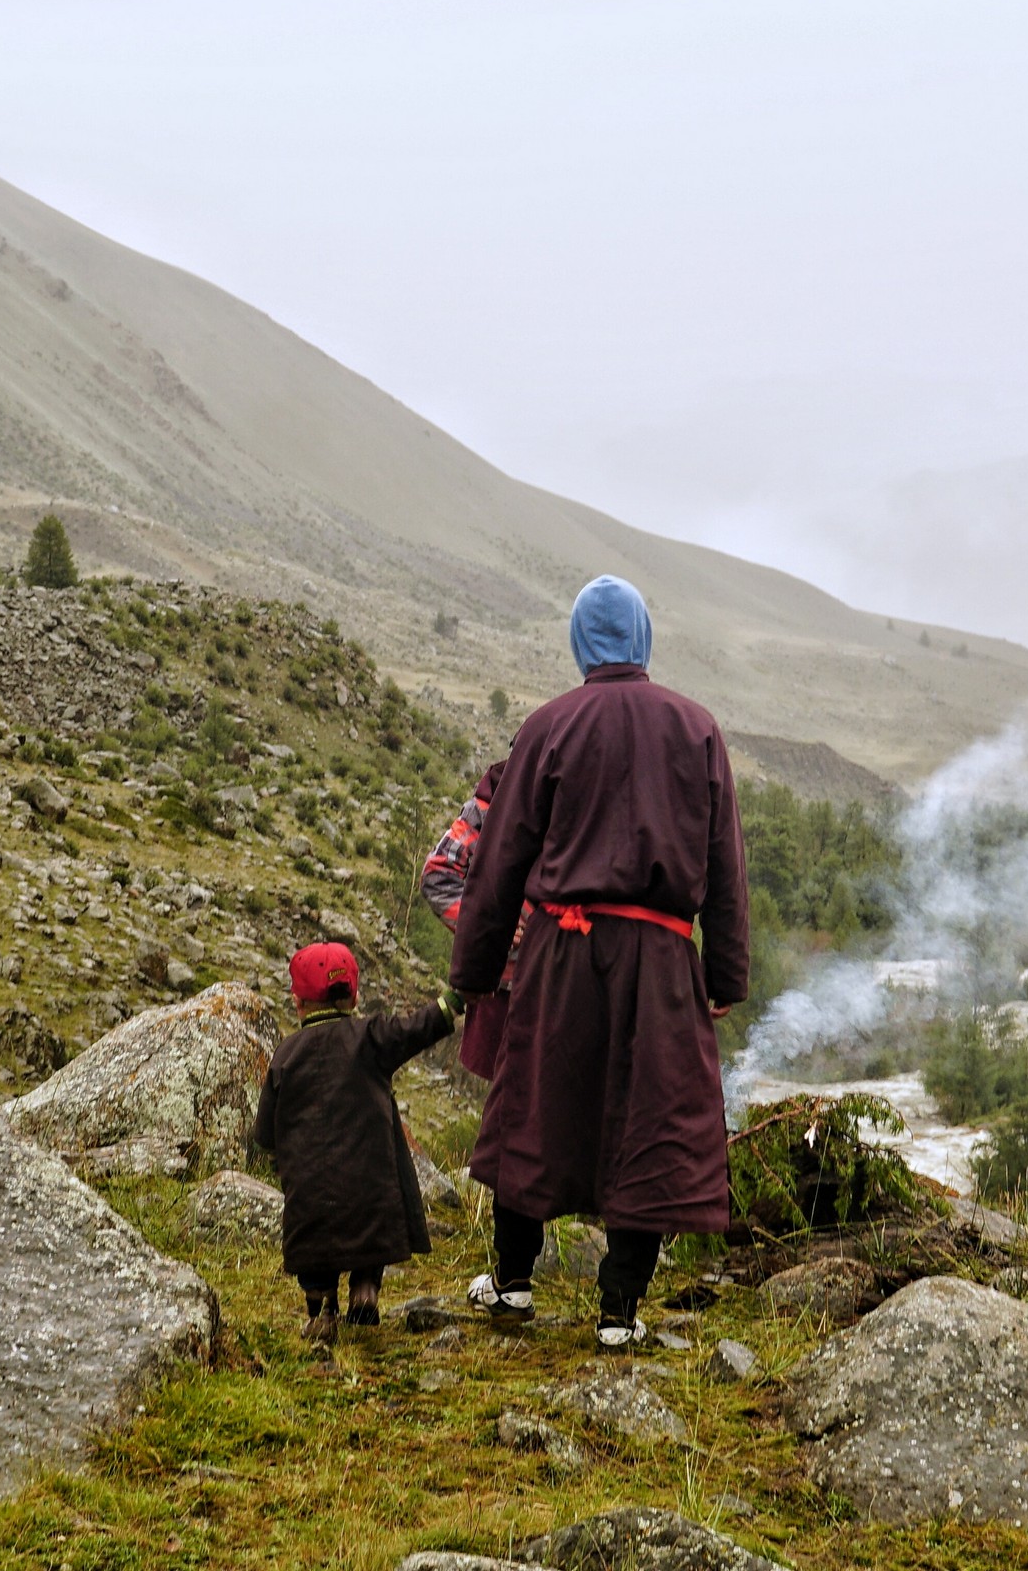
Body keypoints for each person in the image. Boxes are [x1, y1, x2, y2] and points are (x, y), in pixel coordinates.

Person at [448, 574, 748, 1348]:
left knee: (534, 1108)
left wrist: (475, 971)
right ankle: (619, 1312)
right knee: (648, 1119)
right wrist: (724, 977)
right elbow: (725, 867)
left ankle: (513, 1284)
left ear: (582, 643)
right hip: (661, 958)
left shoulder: (548, 726)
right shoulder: (697, 728)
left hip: (559, 954)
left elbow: (500, 862)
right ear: (644, 639)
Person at [252, 939, 460, 1344]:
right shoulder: (372, 1037)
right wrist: (452, 1000)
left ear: (298, 1003)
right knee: (374, 1226)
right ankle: (365, 1289)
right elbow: (417, 1028)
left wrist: (281, 1161)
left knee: (313, 1245)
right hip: (371, 1191)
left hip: (311, 1197)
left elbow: (265, 1135)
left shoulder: (285, 1055)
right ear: (354, 995)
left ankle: (321, 1308)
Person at [419, 757, 524, 1080]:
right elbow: (438, 876)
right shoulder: (493, 802)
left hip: (571, 989)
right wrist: (489, 928)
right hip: (504, 990)